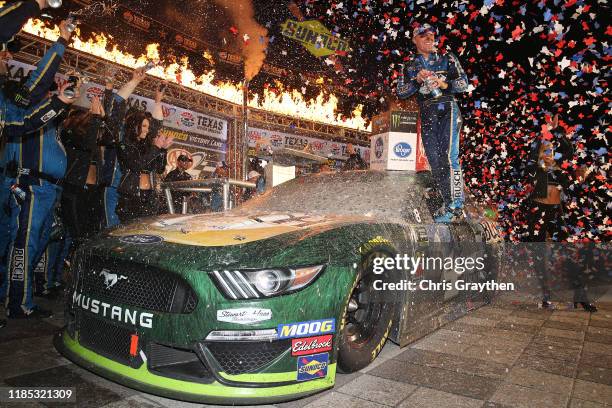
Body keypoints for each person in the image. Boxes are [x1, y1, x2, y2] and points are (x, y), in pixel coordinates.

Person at [396, 23, 469, 223]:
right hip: (427, 110)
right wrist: (417, 81)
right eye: (423, 36)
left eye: (432, 35)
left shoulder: (448, 57)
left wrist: (443, 83)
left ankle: (457, 205)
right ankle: (449, 204)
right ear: (414, 39)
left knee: (448, 156)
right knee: (435, 162)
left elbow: (465, 83)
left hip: (448, 107)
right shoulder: (409, 64)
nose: (429, 39)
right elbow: (401, 92)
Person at [524, 115, 597, 312]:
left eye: (551, 150)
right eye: (545, 150)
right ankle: (545, 295)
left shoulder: (560, 168)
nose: (549, 153)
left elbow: (569, 150)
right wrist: (544, 135)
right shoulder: (535, 167)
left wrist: (557, 131)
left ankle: (580, 295)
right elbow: (531, 158)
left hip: (557, 212)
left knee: (571, 253)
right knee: (539, 254)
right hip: (538, 212)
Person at [116, 84, 172, 222]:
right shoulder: (124, 144)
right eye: (144, 126)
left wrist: (163, 149)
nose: (147, 130)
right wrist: (156, 148)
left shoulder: (148, 145)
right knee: (129, 232)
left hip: (149, 196)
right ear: (135, 126)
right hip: (130, 196)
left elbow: (160, 168)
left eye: (148, 126)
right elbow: (136, 165)